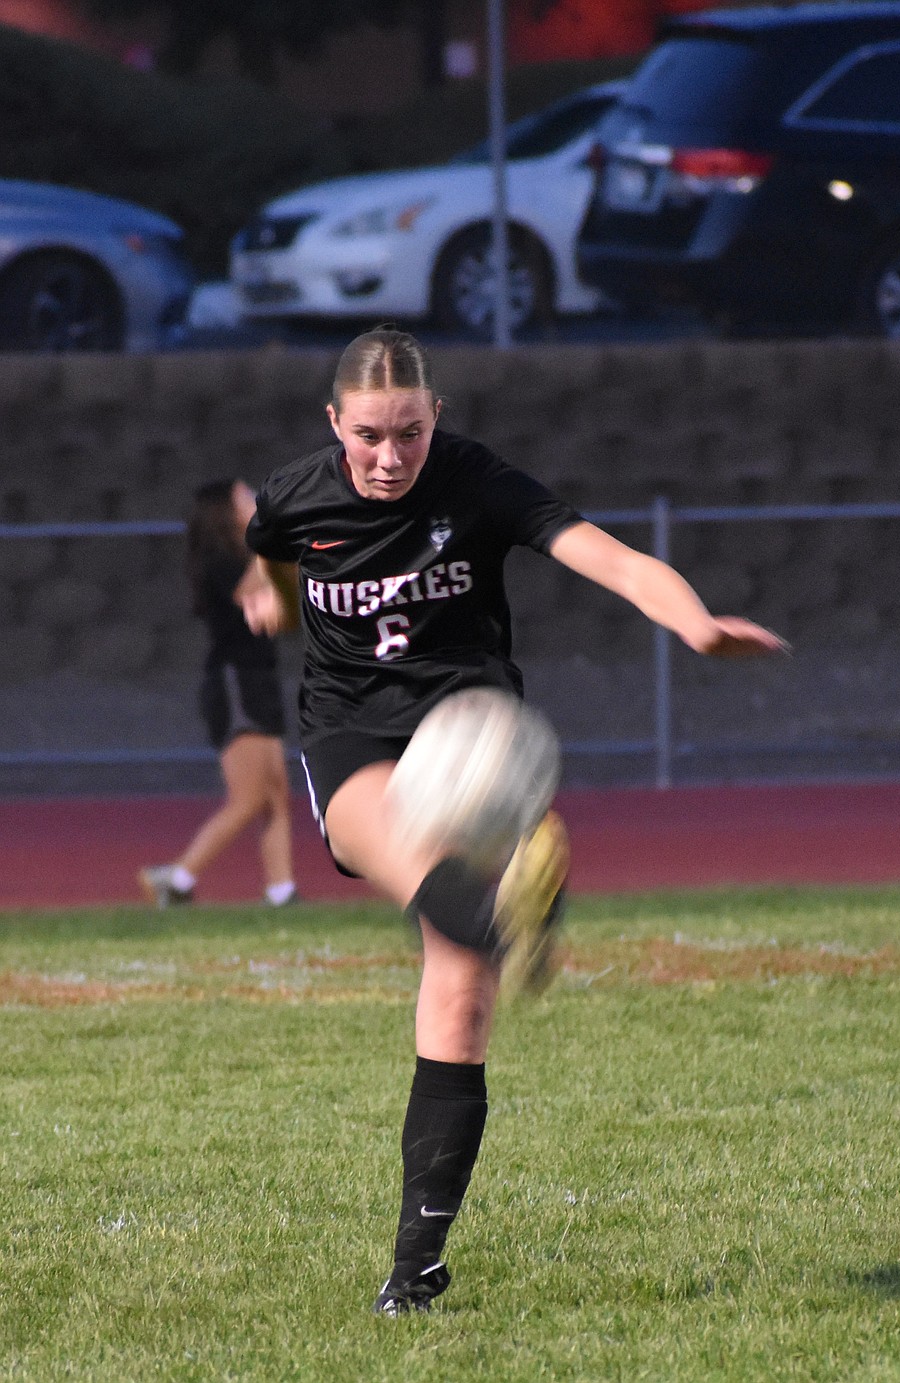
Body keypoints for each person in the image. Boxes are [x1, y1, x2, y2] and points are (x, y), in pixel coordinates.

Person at [236, 325, 787, 1318]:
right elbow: (274, 564)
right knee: (411, 867)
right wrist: (269, 601)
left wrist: (695, 621)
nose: (390, 456)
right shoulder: (290, 498)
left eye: (409, 431)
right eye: (369, 435)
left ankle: (417, 1269)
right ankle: (504, 912)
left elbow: (612, 562)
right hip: (353, 737)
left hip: (470, 732)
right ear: (335, 424)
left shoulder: (478, 482)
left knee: (461, 994)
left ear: (435, 416)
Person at [138, 479, 298, 909]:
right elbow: (249, 589)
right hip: (235, 682)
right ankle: (177, 879)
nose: (254, 501)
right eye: (246, 497)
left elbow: (279, 614)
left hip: (259, 678)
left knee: (276, 794)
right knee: (247, 798)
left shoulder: (249, 555)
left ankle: (282, 893)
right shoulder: (221, 560)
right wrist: (280, 541)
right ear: (225, 512)